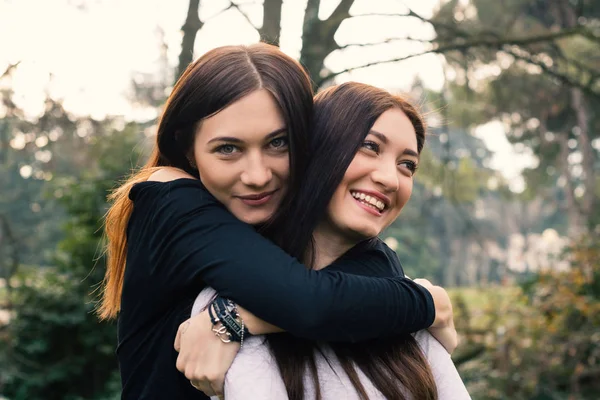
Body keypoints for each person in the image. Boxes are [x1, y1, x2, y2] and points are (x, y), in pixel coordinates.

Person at [99, 43, 454, 399]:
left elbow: (363, 276)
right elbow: (310, 302)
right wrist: (428, 302)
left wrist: (236, 316)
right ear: (188, 147)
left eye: (278, 143)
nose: (257, 176)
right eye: (228, 148)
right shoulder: (169, 197)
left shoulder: (281, 238)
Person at [186, 82, 470, 399]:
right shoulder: (223, 305)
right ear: (316, 150)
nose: (390, 179)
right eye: (370, 146)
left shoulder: (402, 303)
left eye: (407, 165)